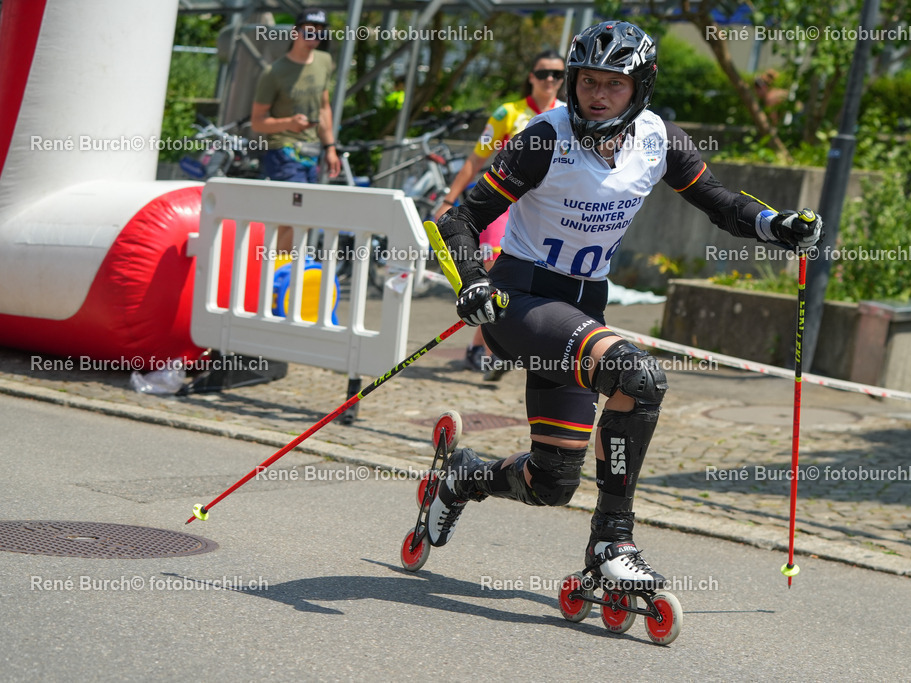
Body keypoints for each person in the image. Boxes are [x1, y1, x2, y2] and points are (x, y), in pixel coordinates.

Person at [428, 21, 822, 588]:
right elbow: (459, 218)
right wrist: (471, 281)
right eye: (587, 80)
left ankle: (463, 479)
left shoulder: (659, 139)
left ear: (640, 88)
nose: (597, 94)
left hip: (585, 308)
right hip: (525, 299)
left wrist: (776, 224)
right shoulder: (544, 139)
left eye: (614, 84)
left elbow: (722, 204)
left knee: (551, 481)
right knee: (637, 377)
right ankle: (613, 543)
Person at [432, 50, 566, 380]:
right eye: (543, 72)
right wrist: (450, 199)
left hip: (543, 211)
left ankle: (488, 349)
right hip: (502, 204)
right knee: (493, 272)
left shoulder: (567, 115)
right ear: (531, 77)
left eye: (558, 74)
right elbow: (476, 161)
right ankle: (493, 350)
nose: (550, 79)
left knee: (527, 282)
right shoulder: (508, 112)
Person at [251, 7, 340, 187]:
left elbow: (324, 108)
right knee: (293, 211)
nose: (313, 40)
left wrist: (330, 148)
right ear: (295, 33)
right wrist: (290, 123)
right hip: (283, 153)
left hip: (312, 153)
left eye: (319, 35)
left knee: (305, 211)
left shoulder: (324, 61)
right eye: (308, 33)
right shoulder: (274, 72)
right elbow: (257, 122)